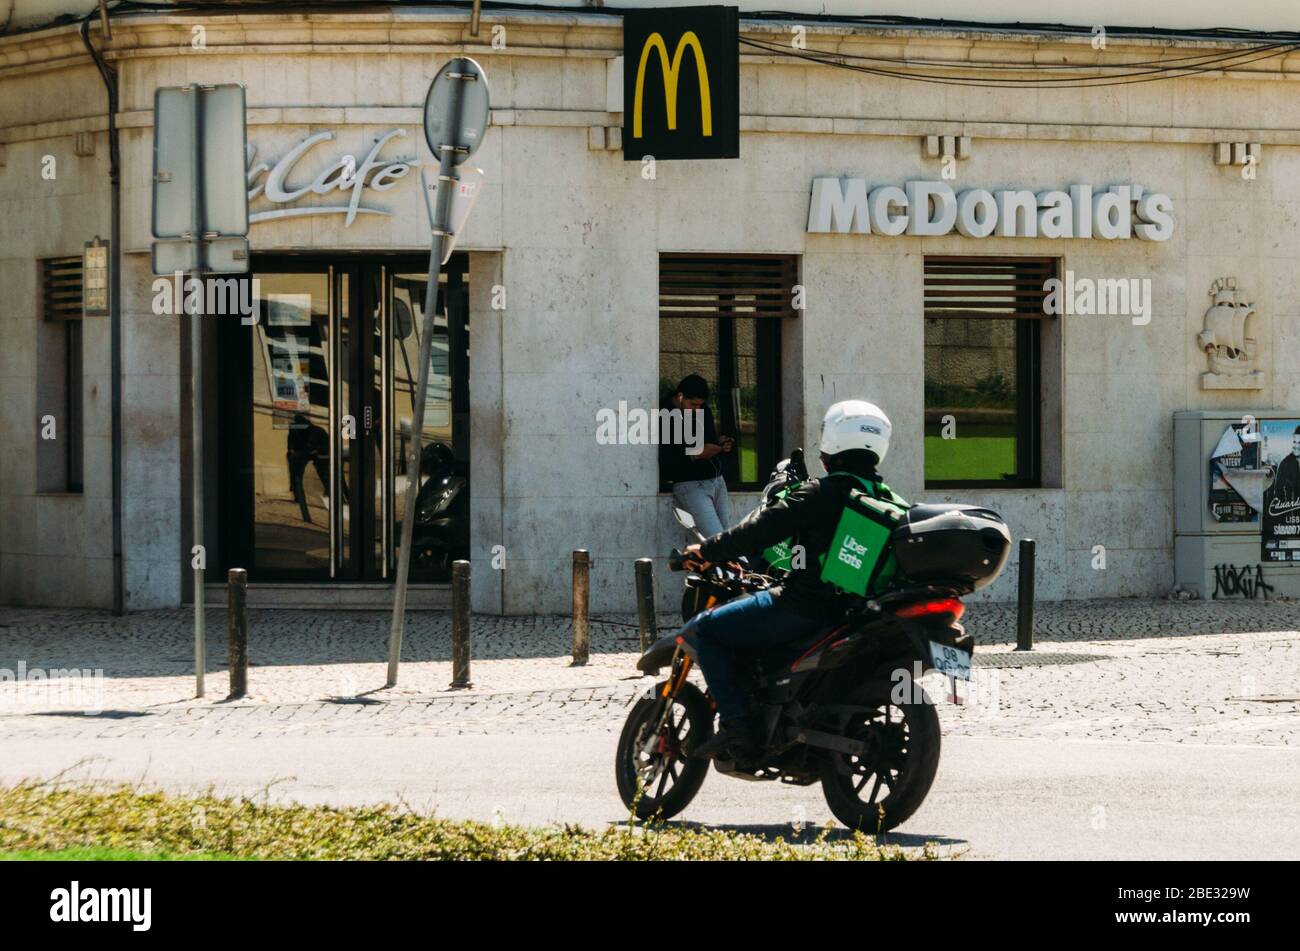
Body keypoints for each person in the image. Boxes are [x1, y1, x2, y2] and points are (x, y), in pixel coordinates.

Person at [685, 400, 904, 764]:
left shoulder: (822, 492)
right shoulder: (890, 502)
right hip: (854, 615)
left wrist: (707, 551)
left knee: (706, 630)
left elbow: (760, 530)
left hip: (801, 607)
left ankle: (737, 727)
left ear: (832, 441)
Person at [659, 374, 734, 538]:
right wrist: (696, 454)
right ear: (680, 397)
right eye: (693, 404)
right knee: (717, 540)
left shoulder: (703, 411)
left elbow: (708, 439)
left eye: (700, 405)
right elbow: (667, 459)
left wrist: (720, 443)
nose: (697, 409)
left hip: (716, 479)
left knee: (728, 539)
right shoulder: (665, 415)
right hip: (690, 483)